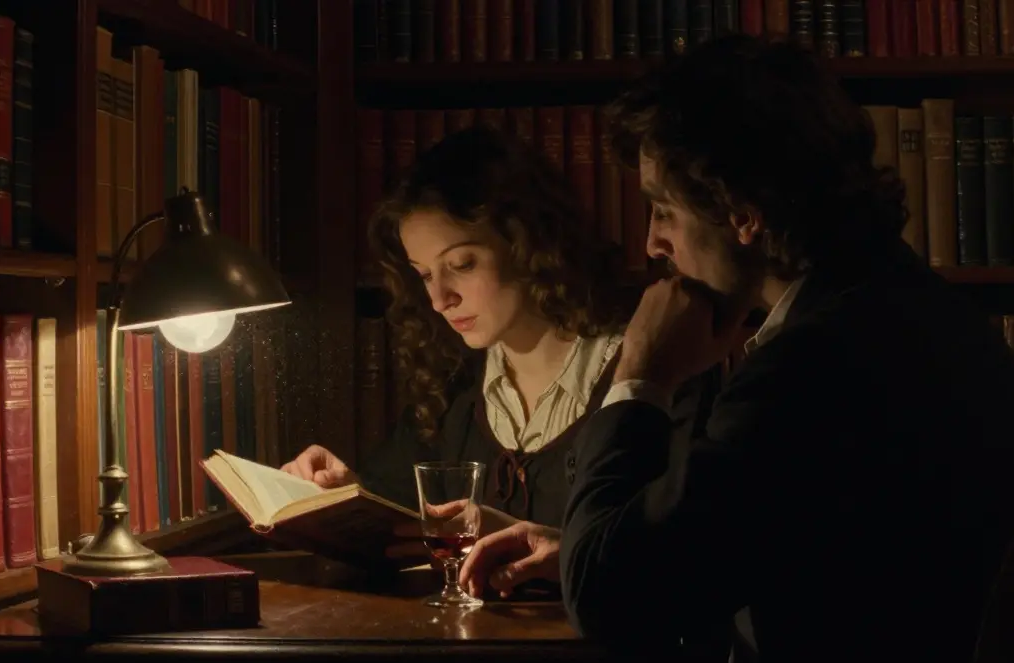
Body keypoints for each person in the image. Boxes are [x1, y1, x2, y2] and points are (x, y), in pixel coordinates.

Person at [464, 34, 1014, 663]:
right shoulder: (903, 312)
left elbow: (609, 600)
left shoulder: (817, 366)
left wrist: (640, 376)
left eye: (664, 210)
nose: (654, 243)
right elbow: (749, 545)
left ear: (741, 211)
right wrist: (580, 551)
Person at [279, 124, 721, 591]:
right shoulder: (454, 389)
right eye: (424, 274)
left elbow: (685, 552)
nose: (439, 299)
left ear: (526, 242)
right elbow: (399, 519)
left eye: (462, 264)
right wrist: (345, 494)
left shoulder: (652, 368)